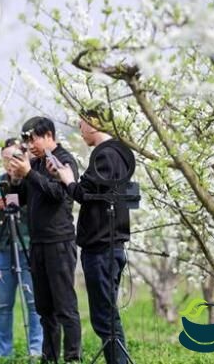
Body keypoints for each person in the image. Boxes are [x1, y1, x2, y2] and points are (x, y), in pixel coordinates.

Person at [51, 110, 134, 364]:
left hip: (101, 246)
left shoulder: (106, 154)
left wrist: (66, 180)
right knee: (106, 315)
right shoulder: (121, 153)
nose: (79, 128)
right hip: (111, 244)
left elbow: (85, 194)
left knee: (105, 317)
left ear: (94, 123)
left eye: (82, 123)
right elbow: (99, 193)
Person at [9, 117, 82, 363]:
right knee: (44, 309)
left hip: (59, 242)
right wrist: (16, 178)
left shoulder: (64, 160)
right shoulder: (36, 164)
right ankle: (49, 357)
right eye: (26, 140)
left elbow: (58, 194)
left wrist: (29, 172)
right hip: (37, 243)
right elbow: (19, 200)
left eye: (33, 138)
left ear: (49, 134)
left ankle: (72, 358)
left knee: (65, 307)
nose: (30, 145)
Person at [0, 138, 43, 358]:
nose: (9, 162)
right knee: (4, 305)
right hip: (3, 249)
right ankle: (2, 353)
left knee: (33, 301)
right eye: (5, 158)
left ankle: (36, 349)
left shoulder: (31, 180)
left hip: (27, 245)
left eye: (14, 157)